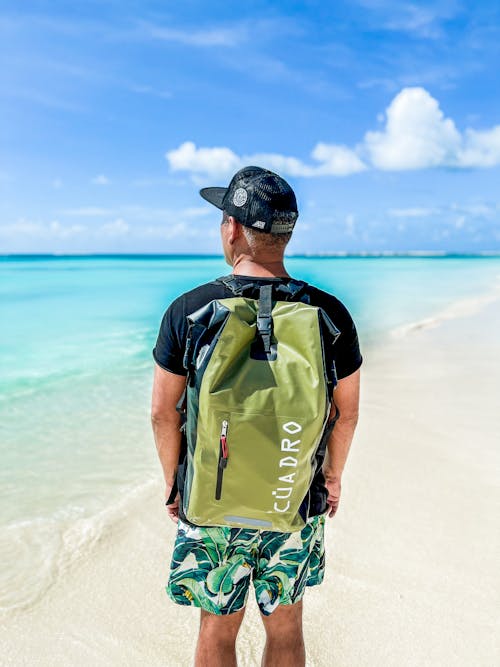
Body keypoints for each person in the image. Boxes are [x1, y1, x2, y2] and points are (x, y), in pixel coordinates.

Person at [151, 166, 362, 667]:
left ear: (232, 228)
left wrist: (175, 485)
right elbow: (346, 415)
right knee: (286, 624)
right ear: (286, 234)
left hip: (213, 503)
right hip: (293, 496)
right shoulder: (329, 314)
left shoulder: (189, 310)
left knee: (217, 630)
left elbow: (163, 413)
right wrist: (331, 478)